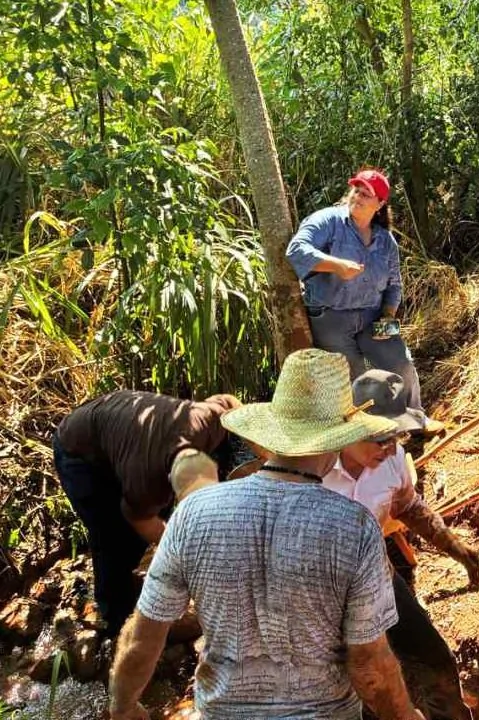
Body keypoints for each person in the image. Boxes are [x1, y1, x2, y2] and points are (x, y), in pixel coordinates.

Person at [107, 349, 426, 720]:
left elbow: (144, 634)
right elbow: (369, 665)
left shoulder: (193, 515)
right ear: (337, 438)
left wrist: (124, 705)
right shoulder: (353, 527)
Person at [323, 369, 479, 720]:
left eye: (397, 435)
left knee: (434, 660)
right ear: (350, 425)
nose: (391, 448)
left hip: (376, 575)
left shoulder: (392, 459)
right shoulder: (312, 469)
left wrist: (455, 547)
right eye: (381, 437)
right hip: (323, 595)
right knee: (357, 690)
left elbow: (408, 506)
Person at [52, 390, 240, 636]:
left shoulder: (208, 419)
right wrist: (191, 555)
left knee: (140, 533)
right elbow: (143, 521)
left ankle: (135, 580)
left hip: (121, 427)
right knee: (113, 539)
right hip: (77, 450)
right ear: (169, 483)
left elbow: (231, 402)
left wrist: (265, 453)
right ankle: (116, 621)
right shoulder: (146, 484)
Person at [286, 168, 425, 411]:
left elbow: (394, 285)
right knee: (358, 378)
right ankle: (374, 431)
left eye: (365, 194)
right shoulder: (328, 221)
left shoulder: (386, 241)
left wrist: (388, 316)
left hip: (373, 316)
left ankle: (415, 417)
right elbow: (296, 250)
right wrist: (336, 265)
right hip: (331, 317)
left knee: (402, 364)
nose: (357, 196)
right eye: (356, 190)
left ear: (379, 204)